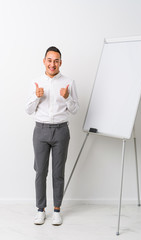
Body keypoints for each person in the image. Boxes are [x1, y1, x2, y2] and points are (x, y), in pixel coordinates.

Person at [25, 46, 79, 225]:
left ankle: (57, 210)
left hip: (61, 131)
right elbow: (28, 110)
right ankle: (40, 210)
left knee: (58, 173)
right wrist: (36, 97)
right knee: (40, 171)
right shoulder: (36, 82)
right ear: (44, 61)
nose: (52, 64)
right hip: (40, 130)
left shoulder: (69, 83)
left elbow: (75, 110)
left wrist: (67, 97)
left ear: (60, 63)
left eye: (56, 61)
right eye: (49, 60)